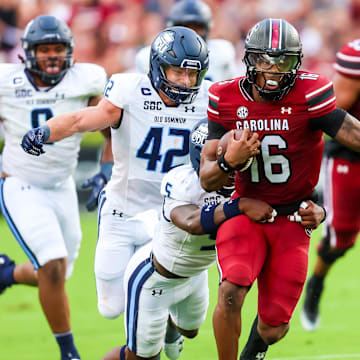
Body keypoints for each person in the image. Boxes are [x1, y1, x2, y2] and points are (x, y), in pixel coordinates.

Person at [20, 26, 211, 328]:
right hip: (123, 208)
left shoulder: (208, 98)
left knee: (157, 297)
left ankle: (170, 320)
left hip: (172, 213)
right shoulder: (129, 89)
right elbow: (84, 118)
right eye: (177, 72)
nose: (186, 82)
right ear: (159, 67)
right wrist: (46, 131)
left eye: (192, 74)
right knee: (110, 307)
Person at [199, 18, 360, 360]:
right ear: (250, 60)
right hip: (246, 210)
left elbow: (353, 136)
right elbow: (208, 178)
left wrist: (322, 209)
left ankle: (252, 353)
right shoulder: (224, 97)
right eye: (264, 60)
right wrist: (230, 161)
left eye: (283, 61)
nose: (272, 69)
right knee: (231, 291)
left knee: (274, 327)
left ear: (296, 63)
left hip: (292, 217)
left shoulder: (311, 93)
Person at [101, 119, 277, 360]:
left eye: (237, 162)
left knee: (190, 331)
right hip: (156, 278)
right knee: (140, 358)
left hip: (195, 276)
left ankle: (171, 331)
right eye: (224, 162)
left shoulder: (246, 186)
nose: (231, 171)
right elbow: (193, 222)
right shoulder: (184, 181)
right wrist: (241, 205)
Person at [0, 15, 107, 360]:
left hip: (61, 186)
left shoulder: (86, 79)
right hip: (20, 183)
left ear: (69, 51)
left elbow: (110, 123)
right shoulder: (6, 82)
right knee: (53, 265)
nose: (51, 56)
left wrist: (107, 167)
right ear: (28, 53)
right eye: (44, 49)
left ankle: (6, 273)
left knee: (58, 273)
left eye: (57, 49)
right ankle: (69, 352)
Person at [301, 39, 360, 331]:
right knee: (340, 237)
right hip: (352, 156)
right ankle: (316, 283)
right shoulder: (355, 57)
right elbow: (336, 114)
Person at [135, 0, 236, 82]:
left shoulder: (222, 53)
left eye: (196, 28)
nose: (190, 34)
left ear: (207, 28)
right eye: (184, 27)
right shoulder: (149, 56)